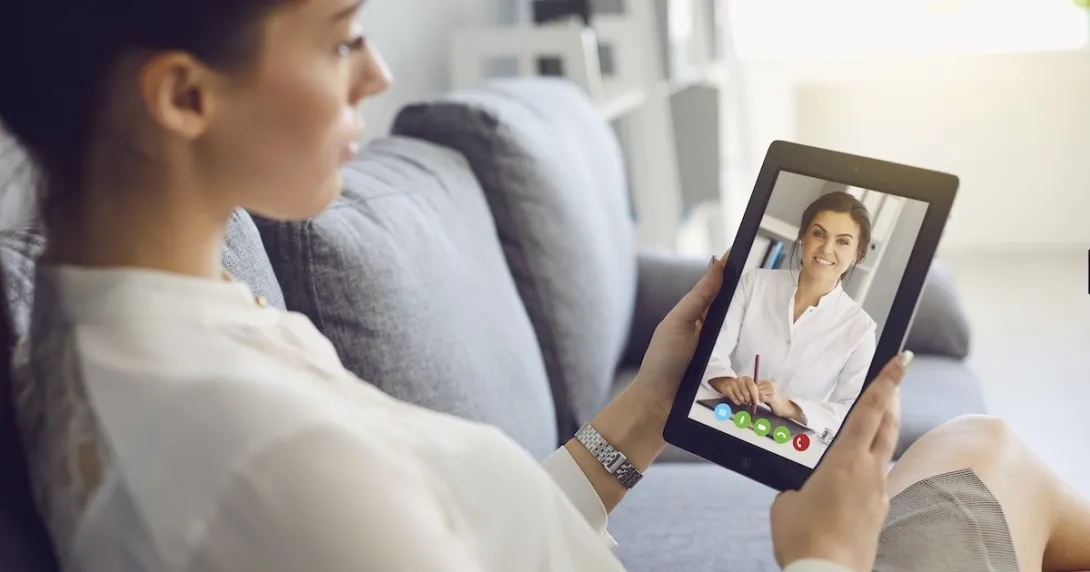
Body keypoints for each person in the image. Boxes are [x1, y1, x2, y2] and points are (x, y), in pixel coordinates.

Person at [1, 1, 1088, 571]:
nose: (378, 73)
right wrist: (826, 557)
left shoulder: (131, 317)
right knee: (988, 452)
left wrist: (643, 412)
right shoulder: (251, 452)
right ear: (184, 95)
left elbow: (453, 533)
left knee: (974, 451)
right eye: (340, 38)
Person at [699, 192, 877, 436]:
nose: (826, 248)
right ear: (803, 236)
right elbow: (711, 350)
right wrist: (727, 381)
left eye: (843, 242)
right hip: (722, 415)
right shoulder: (755, 283)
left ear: (858, 254)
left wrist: (790, 408)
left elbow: (851, 411)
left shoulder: (861, 329)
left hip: (789, 442)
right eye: (818, 233)